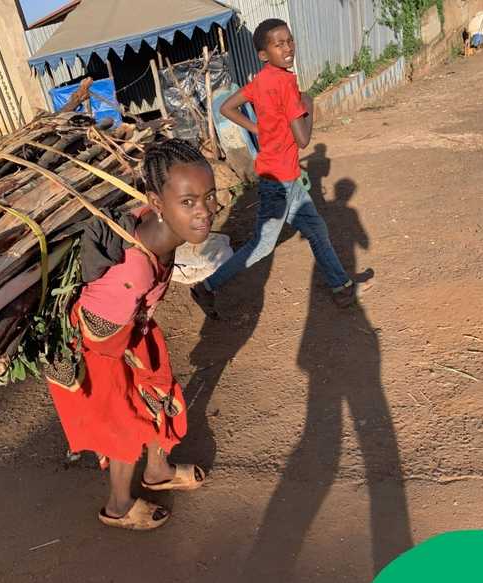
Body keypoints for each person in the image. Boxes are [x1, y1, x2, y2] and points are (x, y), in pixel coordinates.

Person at [46, 140, 213, 530]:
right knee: (126, 422)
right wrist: (135, 363)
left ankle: (157, 471)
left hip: (128, 330)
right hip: (98, 349)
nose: (204, 212)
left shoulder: (158, 231)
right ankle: (118, 506)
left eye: (209, 197)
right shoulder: (133, 272)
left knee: (157, 392)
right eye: (188, 202)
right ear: (157, 202)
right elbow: (99, 335)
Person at [191, 18, 366, 318]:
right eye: (278, 43)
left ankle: (341, 286)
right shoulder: (286, 83)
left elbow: (225, 106)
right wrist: (308, 104)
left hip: (287, 178)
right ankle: (207, 287)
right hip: (279, 183)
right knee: (261, 245)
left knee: (316, 230)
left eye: (289, 41)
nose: (288, 48)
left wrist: (256, 128)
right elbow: (303, 139)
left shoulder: (261, 80)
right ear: (263, 54)